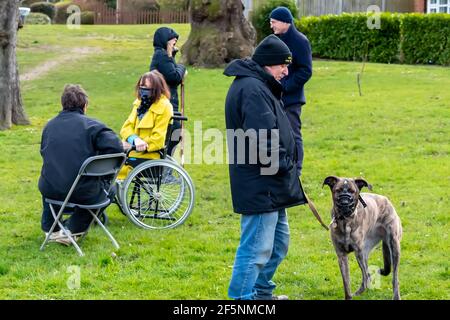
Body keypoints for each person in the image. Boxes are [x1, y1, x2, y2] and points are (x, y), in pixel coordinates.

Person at [224, 35, 307, 300]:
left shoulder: (259, 85)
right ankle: (242, 300)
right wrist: (287, 166)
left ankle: (260, 292)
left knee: (278, 244)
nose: (286, 71)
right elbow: (262, 141)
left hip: (272, 183)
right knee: (255, 250)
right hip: (260, 183)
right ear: (268, 64)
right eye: (283, 65)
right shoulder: (252, 89)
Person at [39, 84, 123, 245]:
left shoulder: (49, 126)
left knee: (52, 178)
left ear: (63, 104)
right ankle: (72, 230)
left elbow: (44, 152)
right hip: (82, 192)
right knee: (110, 189)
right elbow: (117, 148)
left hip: (51, 190)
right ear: (85, 106)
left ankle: (51, 228)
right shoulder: (93, 126)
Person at [270, 6, 313, 176]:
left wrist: (286, 87)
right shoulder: (274, 40)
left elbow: (306, 70)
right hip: (273, 96)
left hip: (291, 99)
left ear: (284, 22)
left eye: (273, 22)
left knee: (293, 135)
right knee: (275, 134)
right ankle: (280, 167)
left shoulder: (301, 42)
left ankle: (297, 170)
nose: (271, 25)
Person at [118, 70, 173, 180]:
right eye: (142, 86)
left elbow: (158, 140)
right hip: (132, 149)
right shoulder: (139, 103)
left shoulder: (165, 107)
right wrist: (134, 139)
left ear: (157, 89)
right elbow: (126, 127)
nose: (143, 90)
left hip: (149, 155)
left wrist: (135, 145)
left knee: (110, 168)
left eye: (148, 87)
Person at [150, 27, 187, 156]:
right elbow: (174, 76)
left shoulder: (163, 55)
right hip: (166, 102)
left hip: (167, 101)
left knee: (174, 134)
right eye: (172, 41)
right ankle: (164, 169)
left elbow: (170, 71)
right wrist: (182, 67)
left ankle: (165, 167)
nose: (174, 43)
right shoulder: (161, 56)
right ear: (164, 40)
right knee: (174, 133)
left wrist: (172, 56)